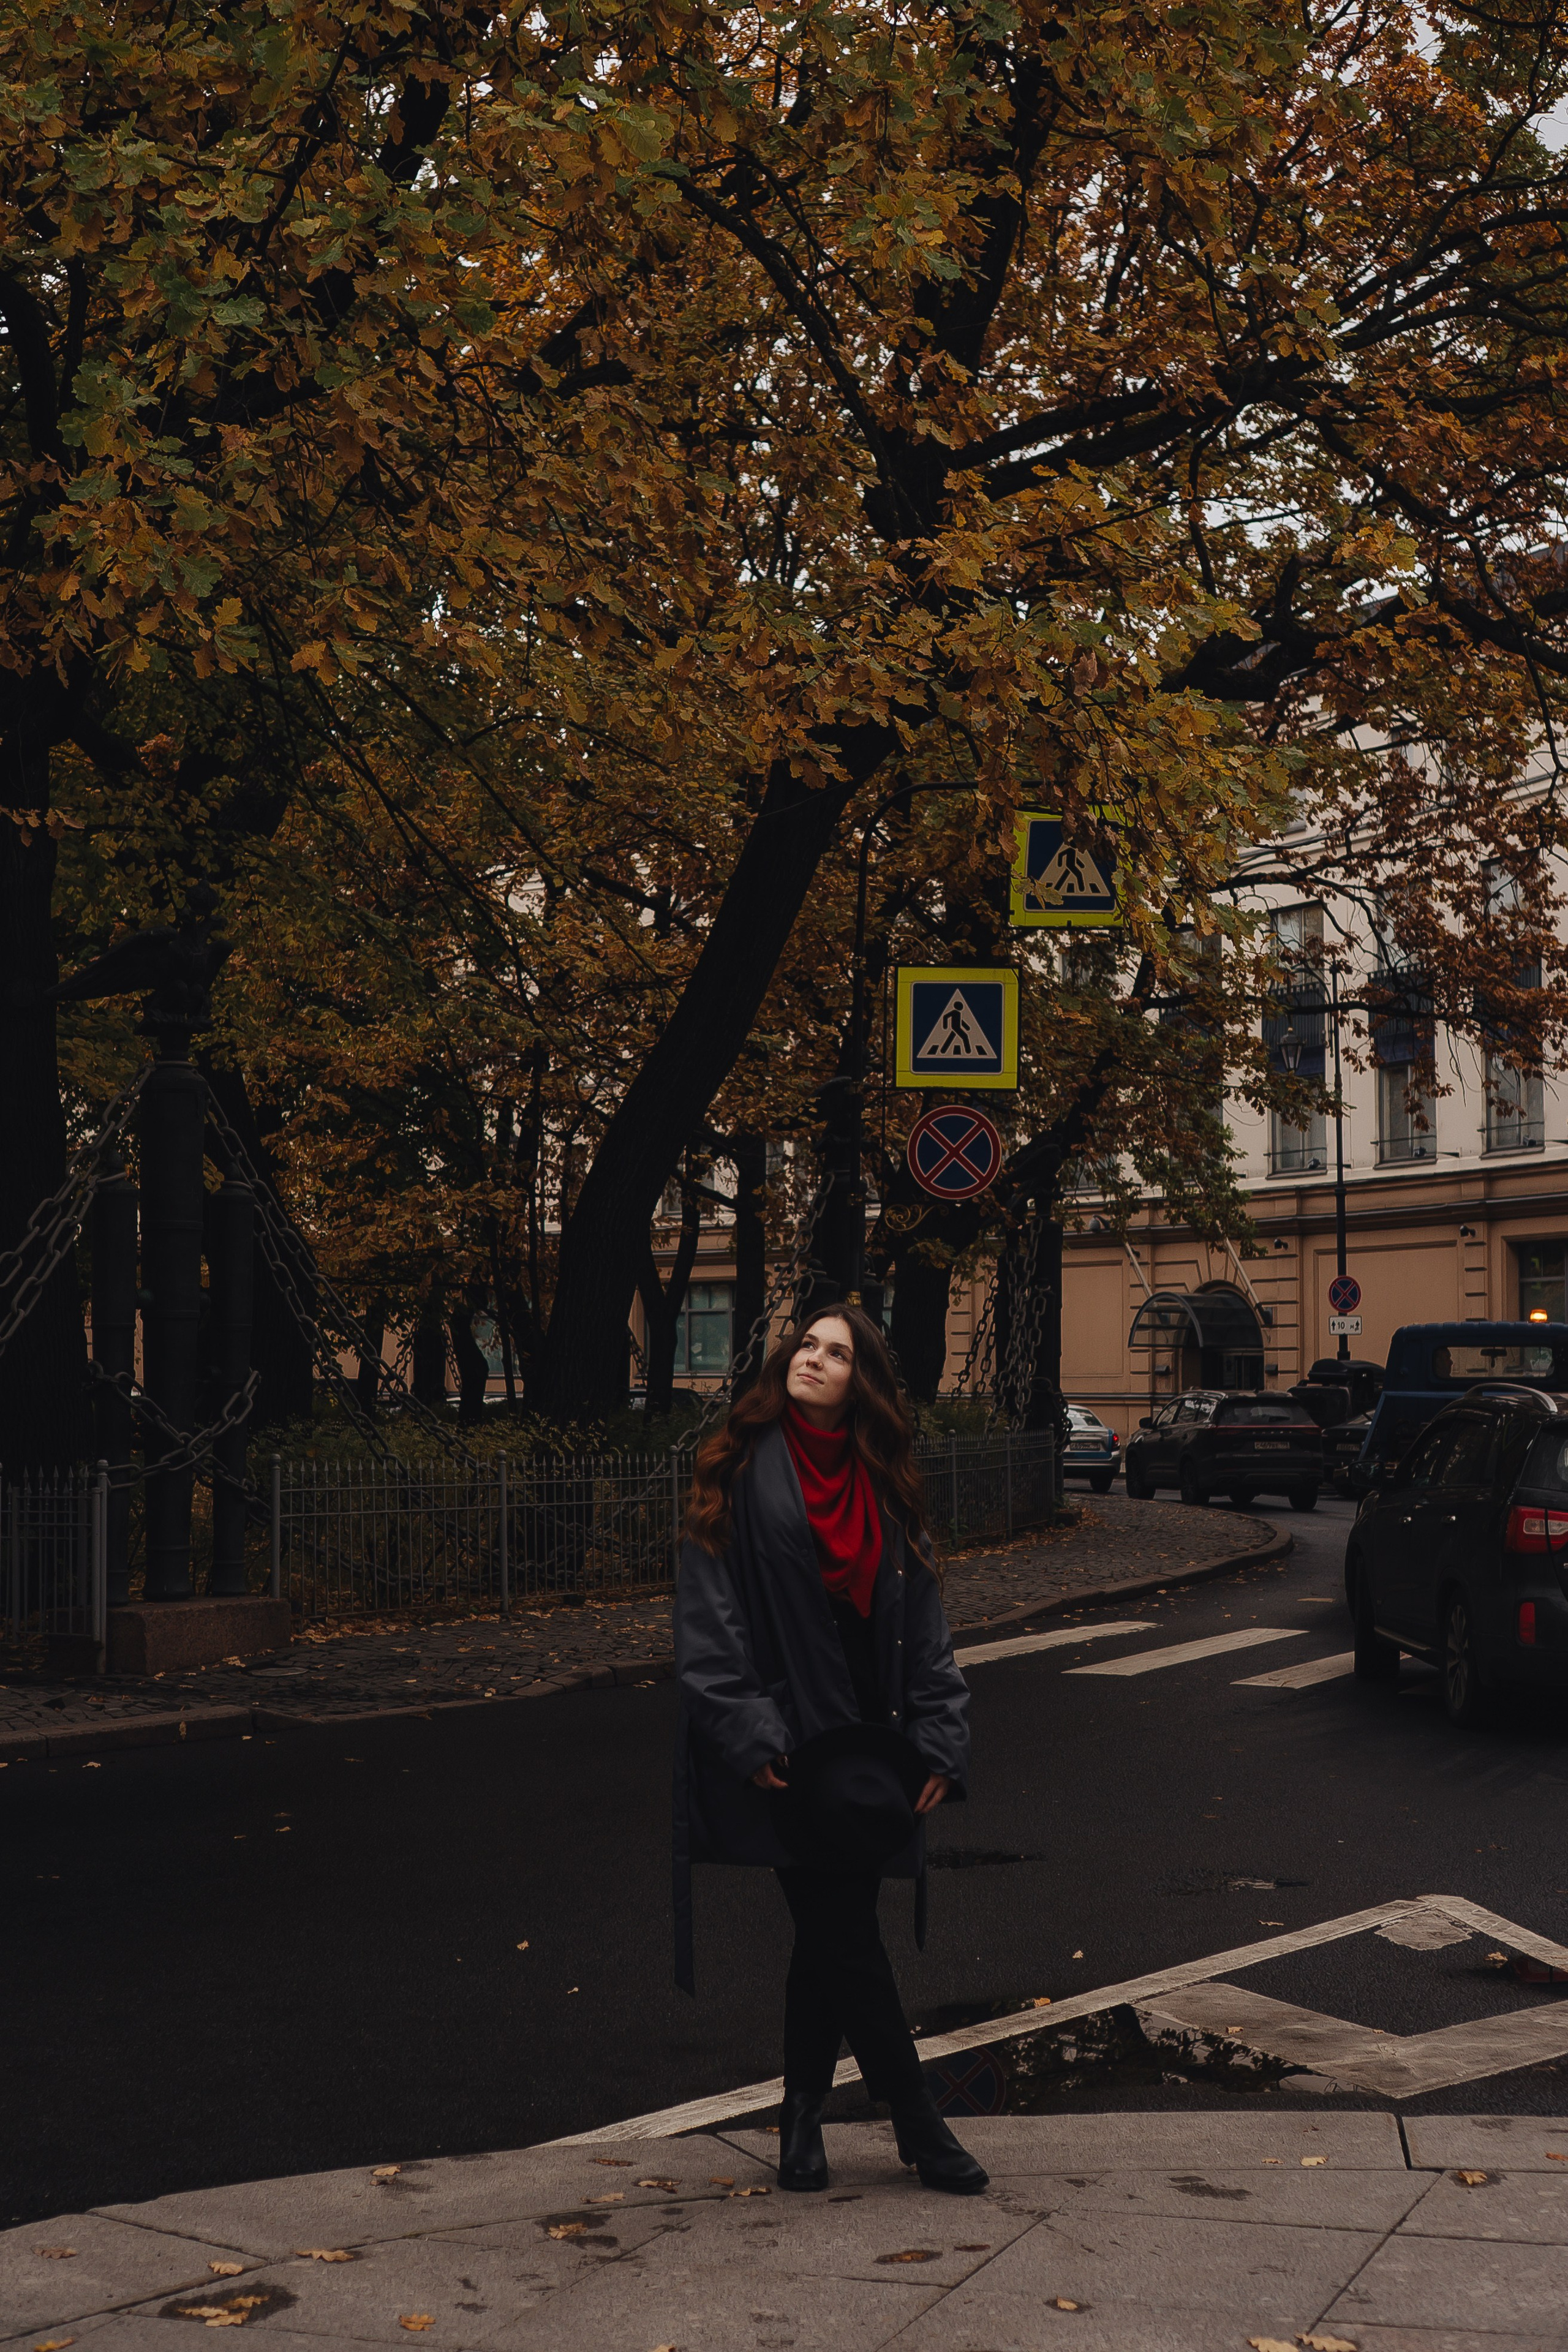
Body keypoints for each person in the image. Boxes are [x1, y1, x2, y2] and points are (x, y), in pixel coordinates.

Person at [673, 1302, 986, 2197]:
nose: (812, 1358)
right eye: (805, 1344)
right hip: (784, 1741)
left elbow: (926, 1628)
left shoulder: (886, 1482)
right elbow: (708, 1626)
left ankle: (802, 2117)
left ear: (864, 1381)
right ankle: (919, 2124)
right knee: (845, 1931)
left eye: (836, 1351)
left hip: (869, 1746)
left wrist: (938, 1741)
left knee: (830, 1936)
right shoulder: (734, 1468)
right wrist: (747, 1730)